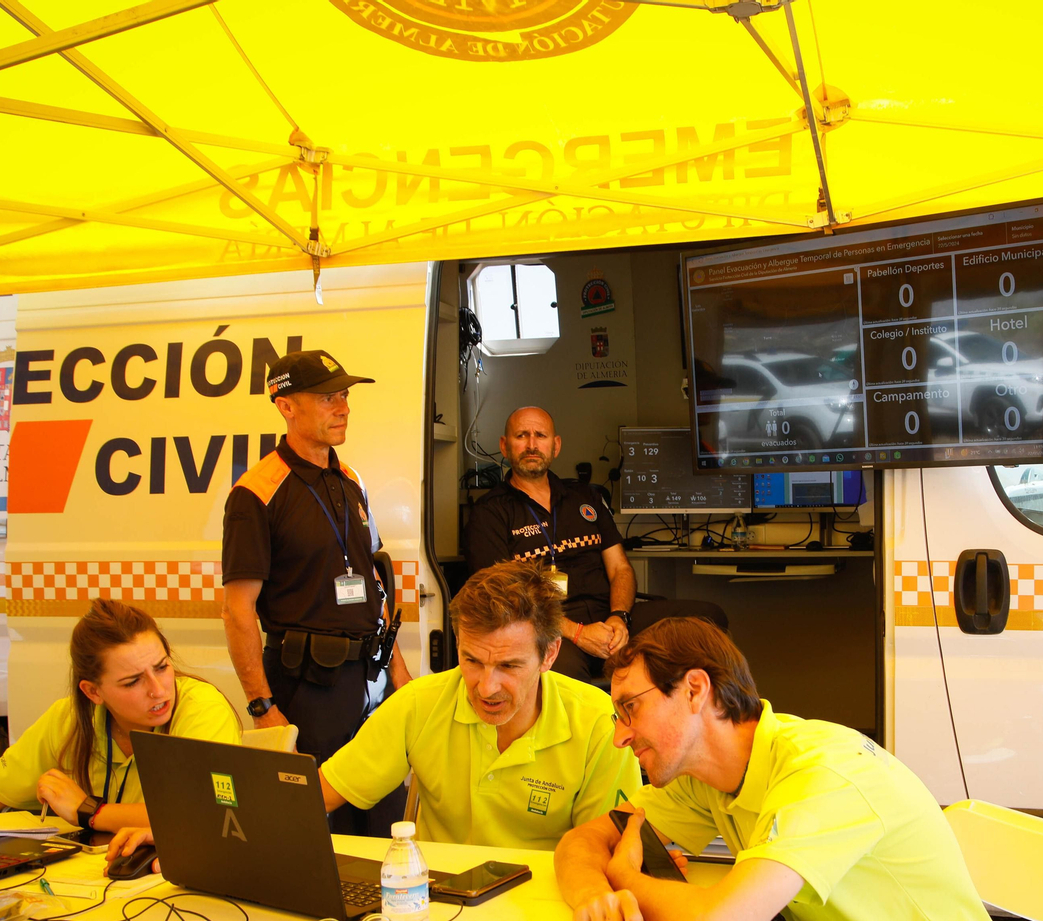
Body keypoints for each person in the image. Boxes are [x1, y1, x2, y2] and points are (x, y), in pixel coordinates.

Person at [554, 618, 1036, 921]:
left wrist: (623, 878)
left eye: (630, 709)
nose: (620, 735)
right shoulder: (703, 778)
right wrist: (593, 896)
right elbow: (585, 839)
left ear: (695, 689)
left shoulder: (821, 773)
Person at [316, 559, 639, 848]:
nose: (486, 688)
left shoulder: (599, 722)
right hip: (438, 905)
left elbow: (613, 850)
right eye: (471, 661)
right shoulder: (417, 704)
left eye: (509, 666)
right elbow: (314, 798)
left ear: (550, 654)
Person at [222, 348, 412, 833]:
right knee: (319, 825)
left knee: (387, 819)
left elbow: (373, 584)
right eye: (328, 397)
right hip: (309, 687)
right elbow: (238, 610)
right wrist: (263, 708)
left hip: (370, 682)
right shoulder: (257, 492)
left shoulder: (350, 480)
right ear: (286, 406)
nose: (343, 407)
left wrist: (401, 679)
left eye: (344, 395)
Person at [465, 406, 727, 683]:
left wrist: (619, 618)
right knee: (561, 677)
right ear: (505, 446)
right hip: (551, 627)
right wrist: (578, 633)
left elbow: (620, 569)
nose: (532, 444)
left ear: (556, 446)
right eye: (522, 435)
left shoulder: (585, 497)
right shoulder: (489, 513)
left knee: (708, 618)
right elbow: (503, 597)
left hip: (610, 616)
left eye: (540, 435)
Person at [0, 598, 242, 832]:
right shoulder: (69, 718)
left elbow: (204, 813)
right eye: (133, 681)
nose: (158, 690)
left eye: (162, 668)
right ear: (93, 692)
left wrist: (88, 811)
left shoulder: (202, 707)